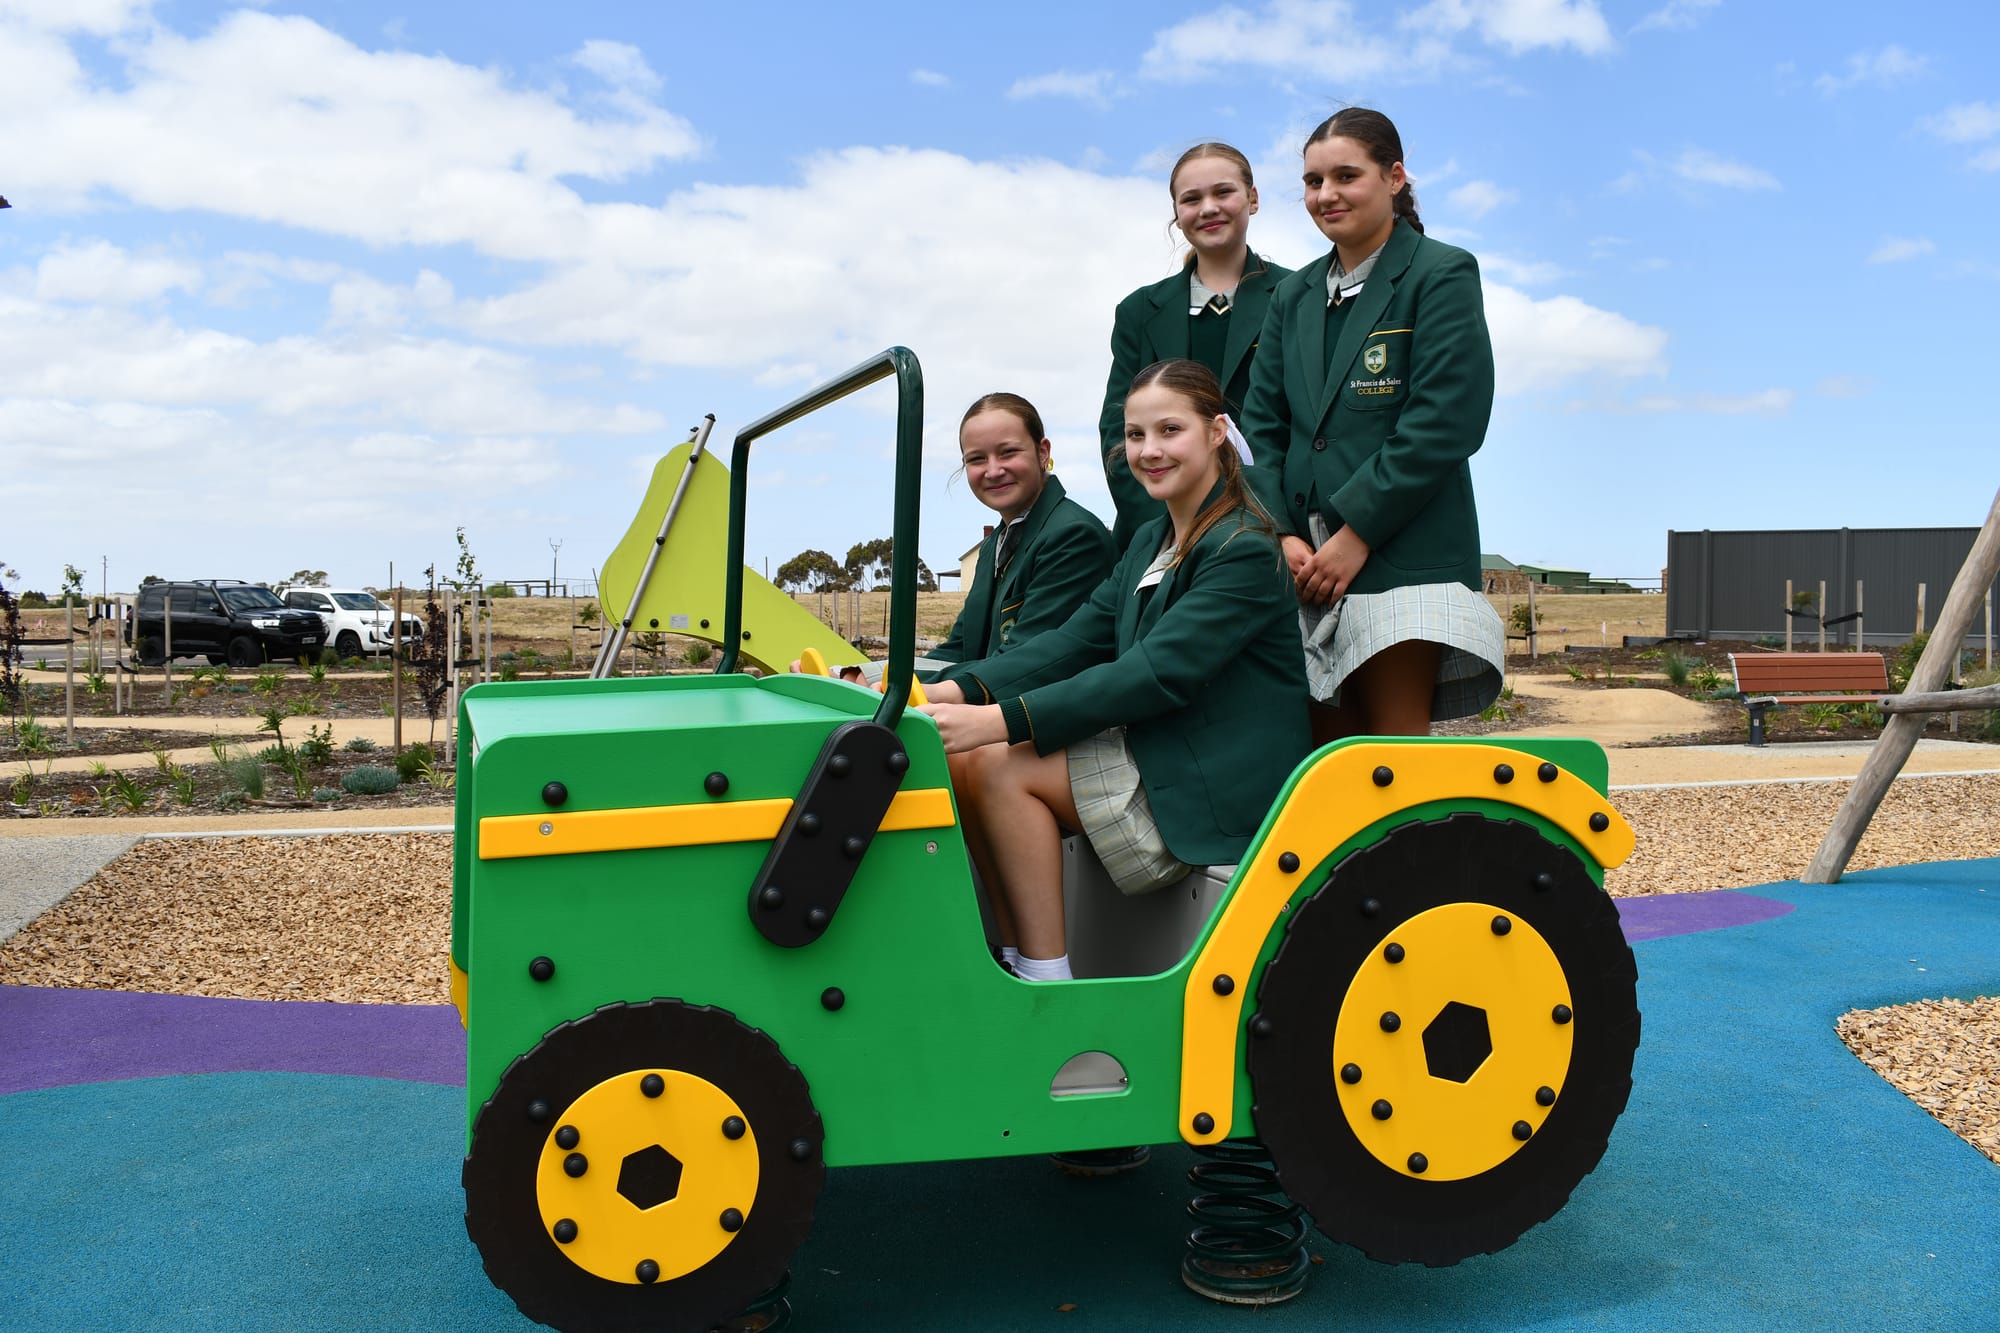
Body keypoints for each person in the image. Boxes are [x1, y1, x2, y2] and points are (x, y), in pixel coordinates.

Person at [922, 360, 1308, 982]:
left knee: (995, 763)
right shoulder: (1152, 540)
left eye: (1169, 431)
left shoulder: (1243, 548)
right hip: (1161, 751)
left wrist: (997, 720)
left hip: (1210, 786)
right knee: (968, 759)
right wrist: (945, 690)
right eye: (1134, 435)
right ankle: (1012, 956)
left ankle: (1047, 980)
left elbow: (1154, 675)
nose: (1149, 451)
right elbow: (1077, 640)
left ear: (1216, 433)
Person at [1240, 107, 1506, 744]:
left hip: (1401, 552)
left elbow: (1445, 420)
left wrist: (1356, 534)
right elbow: (1262, 425)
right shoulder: (1293, 295)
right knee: (1319, 749)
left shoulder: (1440, 273)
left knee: (1390, 748)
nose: (1326, 195)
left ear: (1394, 178)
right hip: (1303, 558)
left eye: (1345, 176)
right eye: (1312, 181)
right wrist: (1279, 532)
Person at [1097, 143, 1291, 550]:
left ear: (1252, 199)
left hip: (1270, 530)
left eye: (1223, 192)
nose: (1208, 208)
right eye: (1192, 198)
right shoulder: (1139, 311)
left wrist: (1270, 525)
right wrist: (1172, 530)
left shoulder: (1297, 297)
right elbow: (1118, 430)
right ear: (1177, 213)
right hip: (1164, 537)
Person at [926, 393, 1114, 673]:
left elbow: (1022, 660)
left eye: (1008, 452)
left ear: (1043, 452)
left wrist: (902, 688)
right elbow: (960, 648)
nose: (993, 470)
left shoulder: (1074, 536)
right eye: (977, 459)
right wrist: (879, 675)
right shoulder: (993, 546)